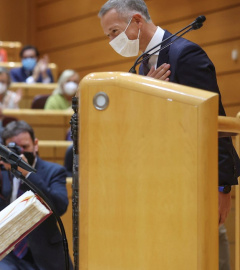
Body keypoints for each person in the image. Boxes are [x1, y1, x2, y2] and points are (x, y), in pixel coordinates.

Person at [98, 1, 240, 269]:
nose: (112, 41)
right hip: (165, 183)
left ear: (137, 21)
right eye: (108, 36)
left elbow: (215, 122)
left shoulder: (184, 54)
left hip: (197, 181)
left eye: (114, 31)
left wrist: (223, 186)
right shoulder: (144, 67)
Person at [0, 120, 72, 270]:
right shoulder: (0, 172)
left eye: (25, 147)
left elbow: (59, 207)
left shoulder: (53, 171)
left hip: (45, 255)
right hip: (4, 254)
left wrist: (27, 174)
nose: (21, 152)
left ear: (36, 144)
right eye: (15, 149)